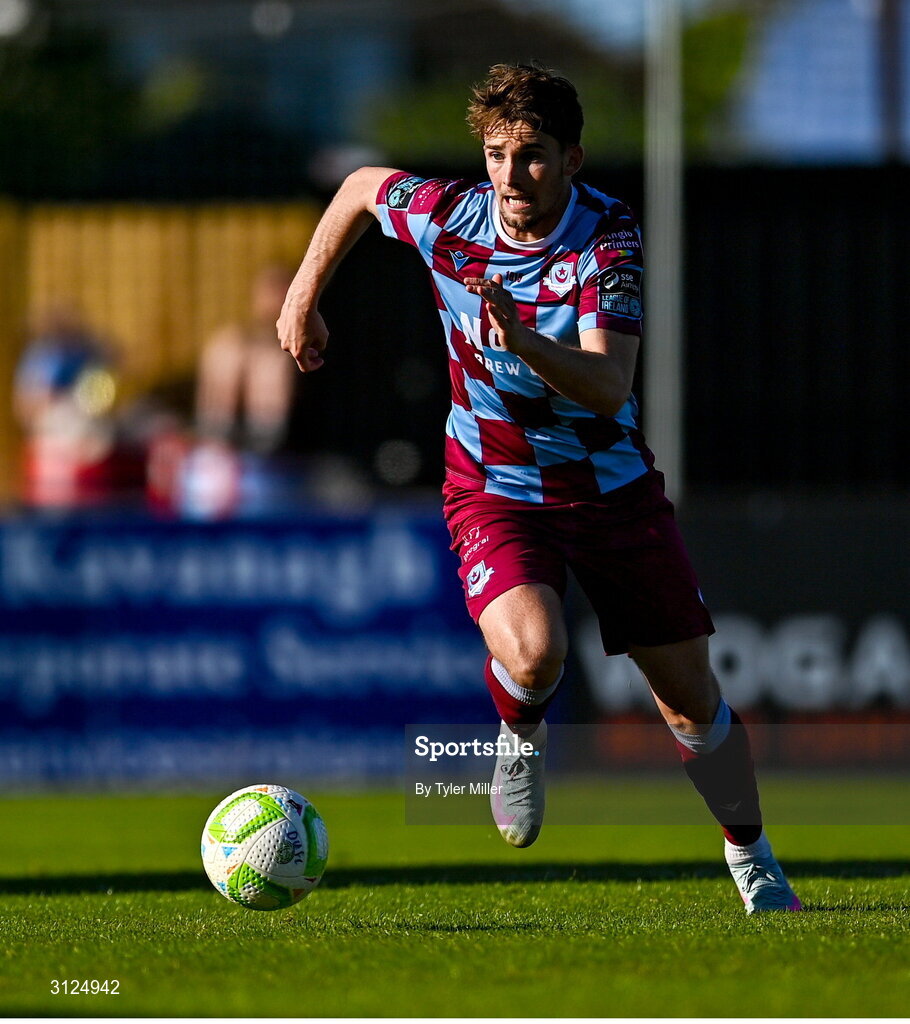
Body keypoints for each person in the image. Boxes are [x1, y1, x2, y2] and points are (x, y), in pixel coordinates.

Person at [277, 62, 801, 914]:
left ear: (573, 159)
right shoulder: (452, 215)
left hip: (610, 491)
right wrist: (304, 297)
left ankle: (752, 858)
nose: (512, 176)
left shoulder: (607, 239)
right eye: (497, 154)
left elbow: (607, 384)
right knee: (534, 650)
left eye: (533, 157)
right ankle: (519, 735)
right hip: (493, 482)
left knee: (692, 706)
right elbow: (361, 188)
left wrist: (521, 340)